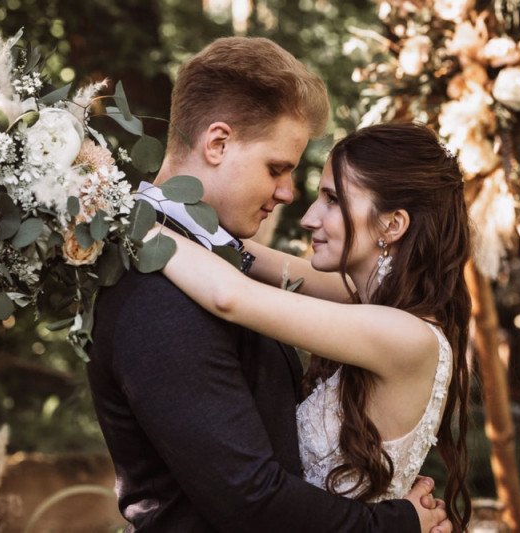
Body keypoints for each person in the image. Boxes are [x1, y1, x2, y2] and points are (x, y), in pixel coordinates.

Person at [87, 37, 452, 532]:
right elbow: (248, 498)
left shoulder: (384, 315)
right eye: (277, 168)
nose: (289, 198)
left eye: (329, 198)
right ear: (217, 143)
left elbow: (244, 279)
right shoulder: (156, 288)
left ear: (395, 224)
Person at [146, 122, 472, 531]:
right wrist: (149, 200)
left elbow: (230, 296)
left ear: (392, 224)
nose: (308, 218)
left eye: (333, 200)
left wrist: (128, 221)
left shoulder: (402, 336)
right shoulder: (365, 302)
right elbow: (242, 255)